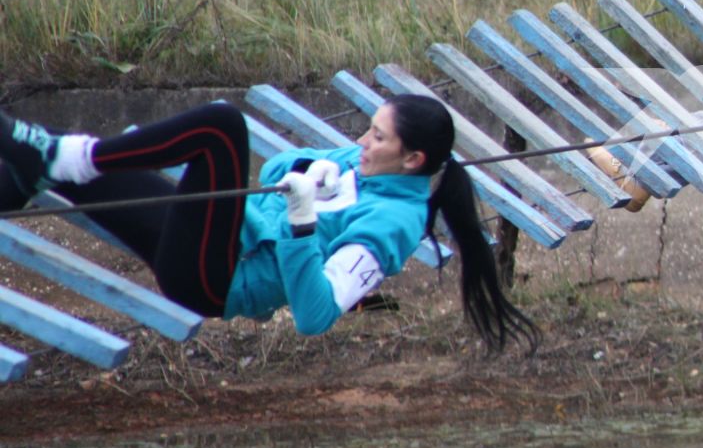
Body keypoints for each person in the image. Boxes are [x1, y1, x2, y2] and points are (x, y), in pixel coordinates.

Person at [1, 96, 537, 351]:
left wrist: (302, 223)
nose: (361, 143)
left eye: (377, 137)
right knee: (34, 165)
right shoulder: (362, 162)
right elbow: (278, 169)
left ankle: (68, 156)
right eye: (367, 130)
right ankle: (49, 163)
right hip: (206, 235)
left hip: (217, 277)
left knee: (221, 127)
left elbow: (315, 315)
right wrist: (310, 170)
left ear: (413, 160)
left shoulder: (394, 224)